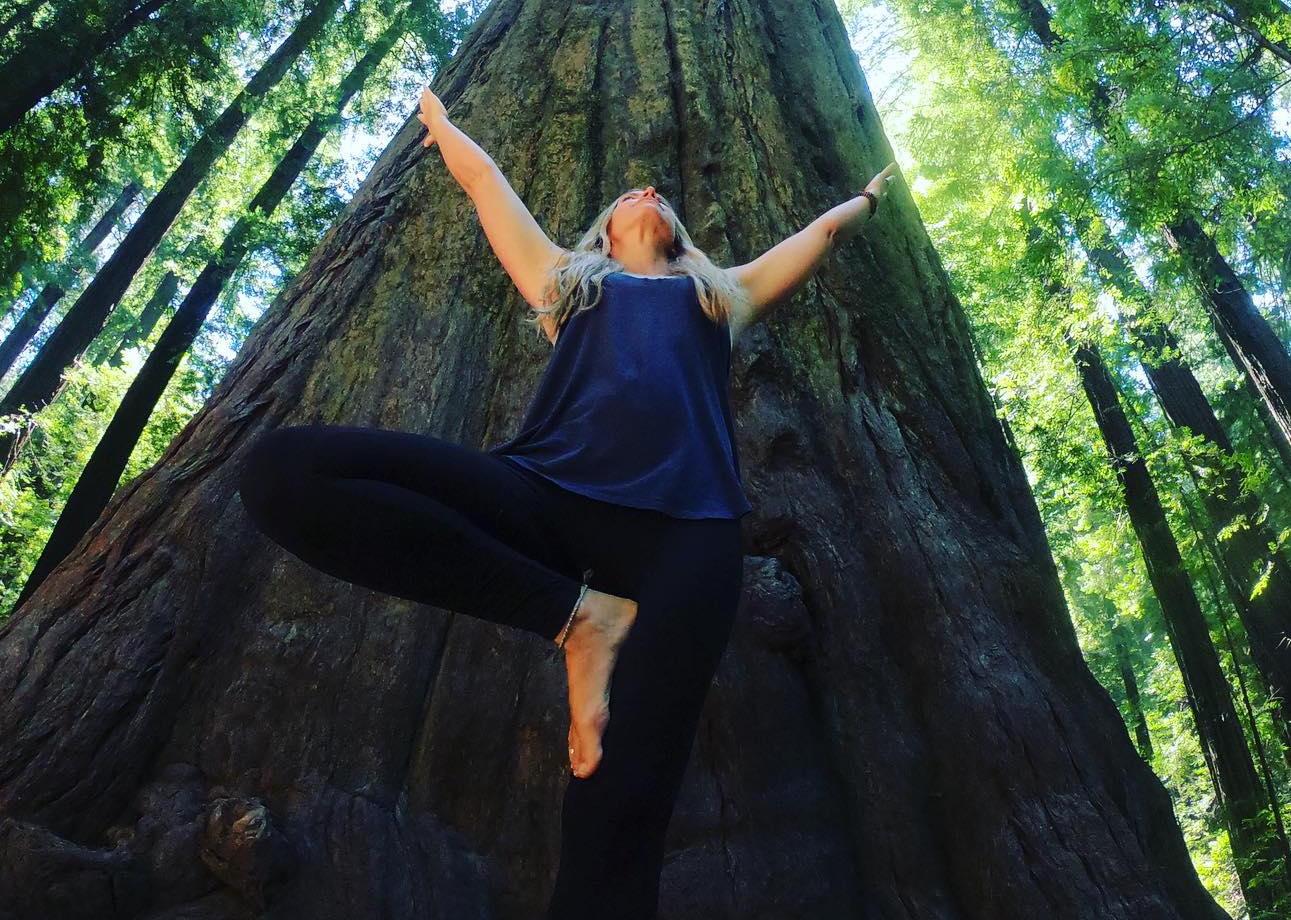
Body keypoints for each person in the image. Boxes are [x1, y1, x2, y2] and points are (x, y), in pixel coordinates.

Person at [237, 83, 898, 918]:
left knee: (618, 815)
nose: (647, 192)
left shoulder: (719, 295)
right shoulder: (565, 281)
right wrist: (439, 123)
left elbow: (822, 233)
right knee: (282, 470)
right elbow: (486, 185)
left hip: (687, 546)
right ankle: (576, 617)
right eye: (629, 194)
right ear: (602, 231)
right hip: (544, 496)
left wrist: (872, 198)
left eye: (659, 195)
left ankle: (593, 638)